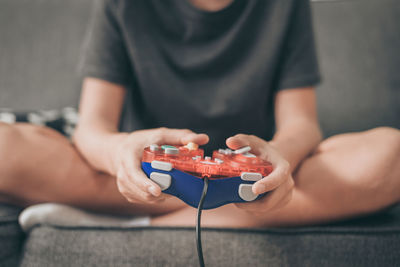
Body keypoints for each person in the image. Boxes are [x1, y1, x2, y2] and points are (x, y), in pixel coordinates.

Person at [0, 0, 399, 228]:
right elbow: (94, 127)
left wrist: (281, 159)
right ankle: (209, 209)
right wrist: (120, 152)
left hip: (250, 175)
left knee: (390, 156)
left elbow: (301, 123)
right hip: (136, 171)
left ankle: (131, 218)